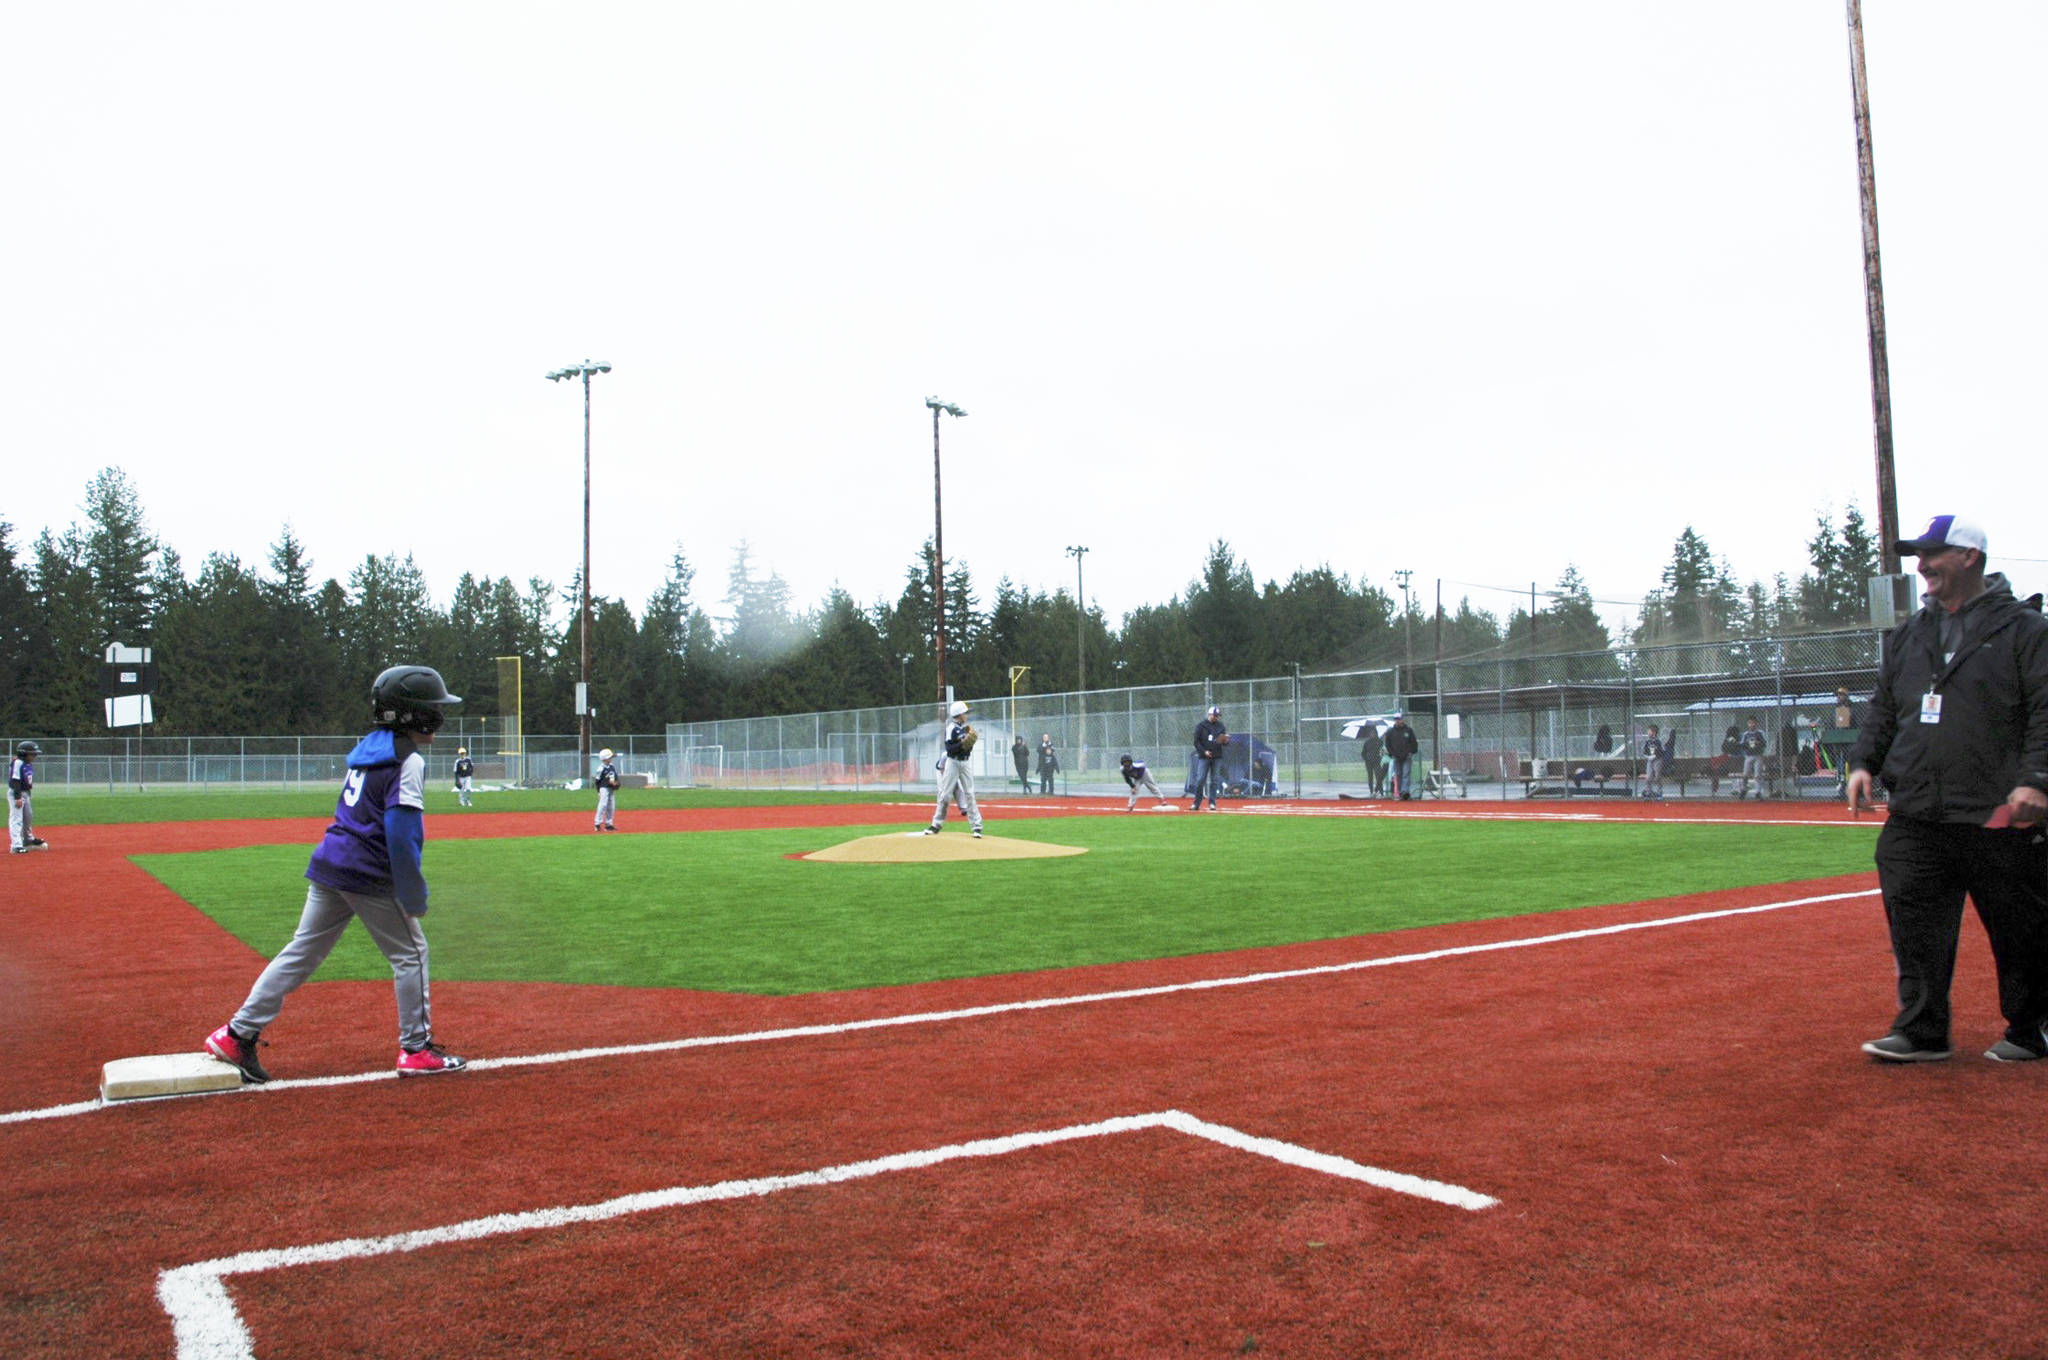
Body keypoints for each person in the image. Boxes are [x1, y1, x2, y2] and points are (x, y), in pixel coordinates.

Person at [203, 665, 468, 1083]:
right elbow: (401, 833)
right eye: (434, 708)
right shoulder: (407, 760)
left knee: (301, 951)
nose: (440, 716)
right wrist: (411, 889)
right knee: (412, 954)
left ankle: (238, 1034)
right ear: (413, 714)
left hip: (331, 862)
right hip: (367, 871)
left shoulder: (368, 749)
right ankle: (416, 1050)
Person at [1847, 514, 2048, 1064]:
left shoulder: (2026, 630)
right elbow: (1885, 706)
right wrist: (1864, 762)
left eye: (1932, 555)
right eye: (1919, 555)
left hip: (1998, 810)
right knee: (1914, 923)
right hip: (1918, 808)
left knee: (2019, 928)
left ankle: (2031, 1028)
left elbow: (2045, 711)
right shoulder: (1911, 633)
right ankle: (1922, 1030)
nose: (1921, 566)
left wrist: (2037, 781)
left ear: (1969, 558)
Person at [925, 700, 983, 837]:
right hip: (953, 763)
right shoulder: (951, 729)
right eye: (965, 713)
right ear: (959, 714)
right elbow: (949, 749)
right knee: (945, 795)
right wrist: (962, 743)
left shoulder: (964, 729)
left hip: (965, 763)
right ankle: (936, 825)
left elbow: (966, 750)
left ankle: (977, 827)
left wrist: (970, 743)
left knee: (969, 793)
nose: (967, 715)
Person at [9, 741, 48, 853]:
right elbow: (15, 780)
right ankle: (16, 845)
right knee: (16, 818)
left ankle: (28, 839)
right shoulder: (18, 763)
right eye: (32, 754)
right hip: (17, 793)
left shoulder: (27, 763)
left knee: (28, 816)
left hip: (25, 793)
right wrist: (18, 797)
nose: (34, 756)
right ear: (23, 754)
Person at [1190, 705, 1229, 810]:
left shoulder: (1220, 726)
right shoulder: (1201, 726)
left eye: (1218, 716)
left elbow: (1224, 740)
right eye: (1215, 715)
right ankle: (1196, 803)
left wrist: (1225, 740)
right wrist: (1204, 751)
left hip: (1217, 756)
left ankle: (1212, 803)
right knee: (1200, 779)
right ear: (1210, 714)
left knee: (1215, 780)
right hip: (1204, 757)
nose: (1216, 718)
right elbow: (1196, 742)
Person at [1384, 714, 1420, 800]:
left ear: (1402, 719)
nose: (1398, 720)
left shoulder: (1408, 730)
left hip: (1406, 756)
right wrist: (1391, 753)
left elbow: (1414, 743)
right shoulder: (1391, 732)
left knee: (1406, 774)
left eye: (1399, 719)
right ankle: (1400, 792)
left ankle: (1405, 792)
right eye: (1396, 719)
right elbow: (1388, 744)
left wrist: (1411, 751)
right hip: (1396, 756)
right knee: (1398, 775)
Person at [1737, 717, 1769, 799]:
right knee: (1745, 774)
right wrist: (1748, 744)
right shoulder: (1746, 734)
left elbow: (1764, 743)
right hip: (1748, 756)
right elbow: (1742, 745)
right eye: (1750, 723)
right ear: (1748, 724)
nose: (1752, 725)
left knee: (1757, 775)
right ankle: (1743, 789)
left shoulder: (1760, 733)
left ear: (1756, 723)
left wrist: (1757, 743)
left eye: (1753, 723)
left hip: (1758, 755)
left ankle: (1758, 792)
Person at [593, 748, 621, 830]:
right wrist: (598, 792)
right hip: (603, 788)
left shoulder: (612, 766)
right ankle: (597, 823)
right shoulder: (601, 769)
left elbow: (615, 776)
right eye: (610, 757)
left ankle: (609, 824)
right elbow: (597, 781)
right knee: (603, 805)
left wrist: (616, 782)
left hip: (611, 789)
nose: (611, 758)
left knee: (611, 806)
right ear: (605, 759)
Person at [1640, 724, 1668, 801]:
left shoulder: (1658, 741)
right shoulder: (1647, 741)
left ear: (1654, 732)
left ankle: (1659, 792)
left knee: (1657, 776)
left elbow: (1663, 751)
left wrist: (1655, 756)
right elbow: (1644, 751)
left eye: (1649, 731)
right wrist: (1647, 756)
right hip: (1650, 760)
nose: (1648, 732)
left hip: (1657, 760)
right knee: (1648, 777)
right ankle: (1648, 793)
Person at [1359, 723, 1386, 797]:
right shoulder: (1367, 742)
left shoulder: (1380, 742)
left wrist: (1379, 757)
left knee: (1379, 777)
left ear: (1376, 733)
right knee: (1370, 777)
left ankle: (1381, 792)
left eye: (1374, 733)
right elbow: (1363, 753)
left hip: (1377, 762)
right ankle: (1371, 792)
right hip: (1368, 762)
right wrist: (1366, 759)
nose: (1372, 734)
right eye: (1371, 733)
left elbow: (1383, 751)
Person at [1713, 724, 1741, 795]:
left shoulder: (1734, 738)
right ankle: (1737, 789)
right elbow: (1724, 748)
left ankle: (1737, 789)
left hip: (1734, 759)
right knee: (1734, 773)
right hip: (1730, 760)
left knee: (1735, 773)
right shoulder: (1734, 738)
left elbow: (1725, 748)